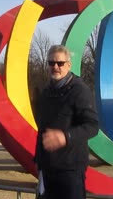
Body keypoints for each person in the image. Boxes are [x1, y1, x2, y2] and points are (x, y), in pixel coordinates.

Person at [33, 45, 99, 199]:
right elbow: (42, 129)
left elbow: (92, 126)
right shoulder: (46, 93)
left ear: (68, 65)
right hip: (47, 169)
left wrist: (66, 136)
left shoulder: (80, 91)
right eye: (51, 63)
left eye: (60, 63)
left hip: (71, 170)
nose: (55, 67)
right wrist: (38, 160)